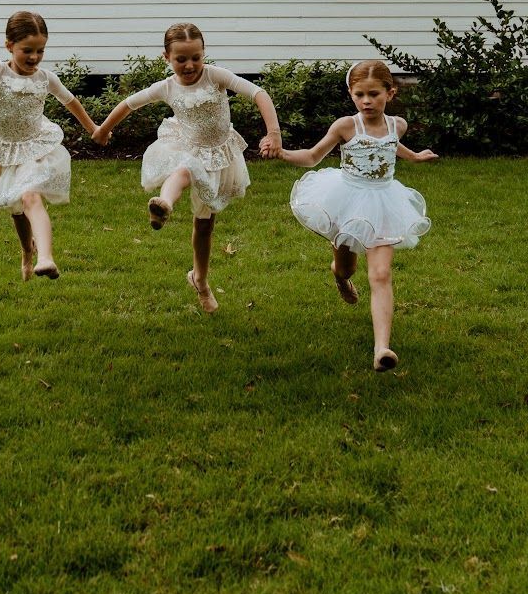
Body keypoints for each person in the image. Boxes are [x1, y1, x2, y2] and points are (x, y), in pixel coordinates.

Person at [92, 23, 282, 313]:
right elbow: (129, 105)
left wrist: (273, 133)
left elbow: (259, 93)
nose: (190, 65)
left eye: (196, 57)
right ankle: (163, 204)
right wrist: (104, 130)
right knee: (183, 170)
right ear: (166, 57)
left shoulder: (216, 77)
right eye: (181, 59)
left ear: (204, 54)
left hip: (218, 155)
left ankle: (200, 280)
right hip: (187, 147)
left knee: (204, 226)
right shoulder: (166, 87)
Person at [275, 58, 436, 370]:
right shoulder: (346, 126)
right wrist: (281, 152)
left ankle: (382, 349)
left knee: (380, 274)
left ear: (390, 93)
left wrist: (414, 156)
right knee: (345, 266)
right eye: (360, 94)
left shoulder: (397, 125)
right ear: (351, 94)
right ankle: (341, 278)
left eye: (374, 94)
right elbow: (311, 157)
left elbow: (391, 144)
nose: (366, 101)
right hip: (347, 201)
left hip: (385, 203)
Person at [0, 10, 96, 281]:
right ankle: (27, 251)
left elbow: (70, 101)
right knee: (17, 211)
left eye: (40, 51)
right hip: (5, 150)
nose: (34, 57)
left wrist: (94, 128)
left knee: (31, 197)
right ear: (9, 46)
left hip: (35, 148)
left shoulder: (46, 78)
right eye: (27, 50)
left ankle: (46, 258)